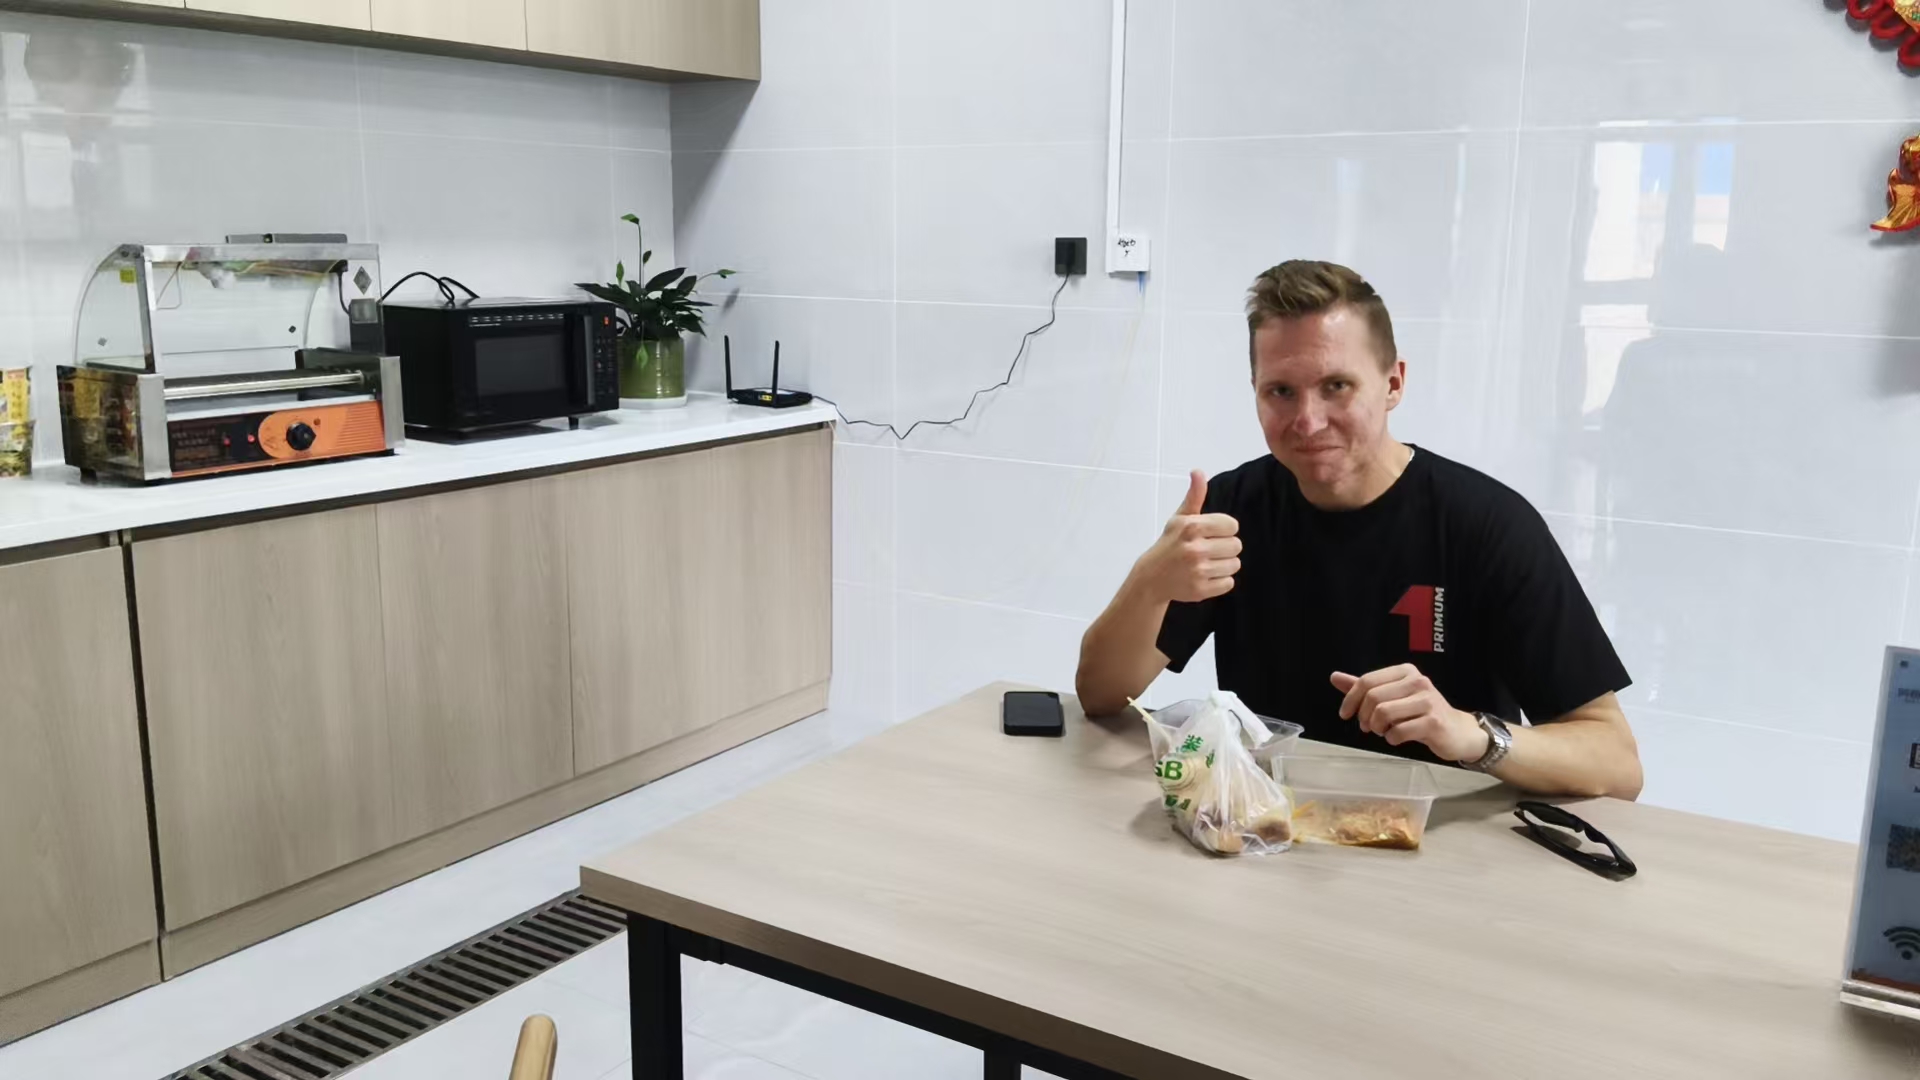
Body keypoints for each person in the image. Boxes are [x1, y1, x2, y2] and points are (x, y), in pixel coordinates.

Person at [1075, 261, 1642, 799]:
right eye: (1281, 391)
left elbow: (1617, 765)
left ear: (1393, 383)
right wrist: (1149, 583)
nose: (1308, 421)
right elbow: (1100, 695)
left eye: (1337, 386)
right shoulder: (1230, 511)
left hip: (1438, 840)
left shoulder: (1488, 526)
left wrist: (1470, 733)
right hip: (1268, 823)